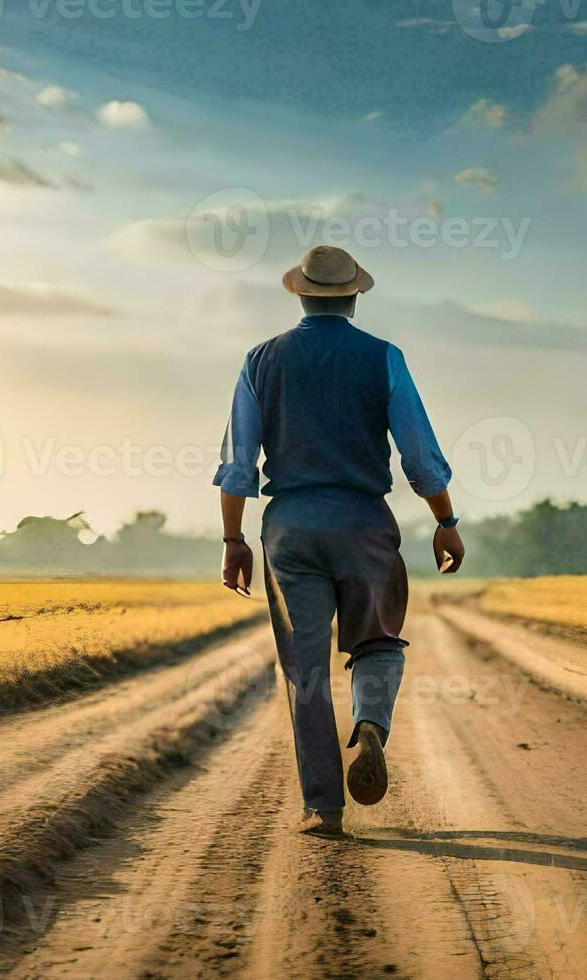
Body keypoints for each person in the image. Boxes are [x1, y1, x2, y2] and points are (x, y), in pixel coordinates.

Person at [213, 244, 465, 838]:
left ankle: (322, 807)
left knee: (304, 671)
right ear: (354, 298)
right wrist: (446, 519)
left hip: (290, 529)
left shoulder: (260, 360)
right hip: (363, 523)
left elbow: (238, 463)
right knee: (377, 640)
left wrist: (233, 538)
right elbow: (420, 454)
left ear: (299, 294)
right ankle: (371, 723)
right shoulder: (383, 358)